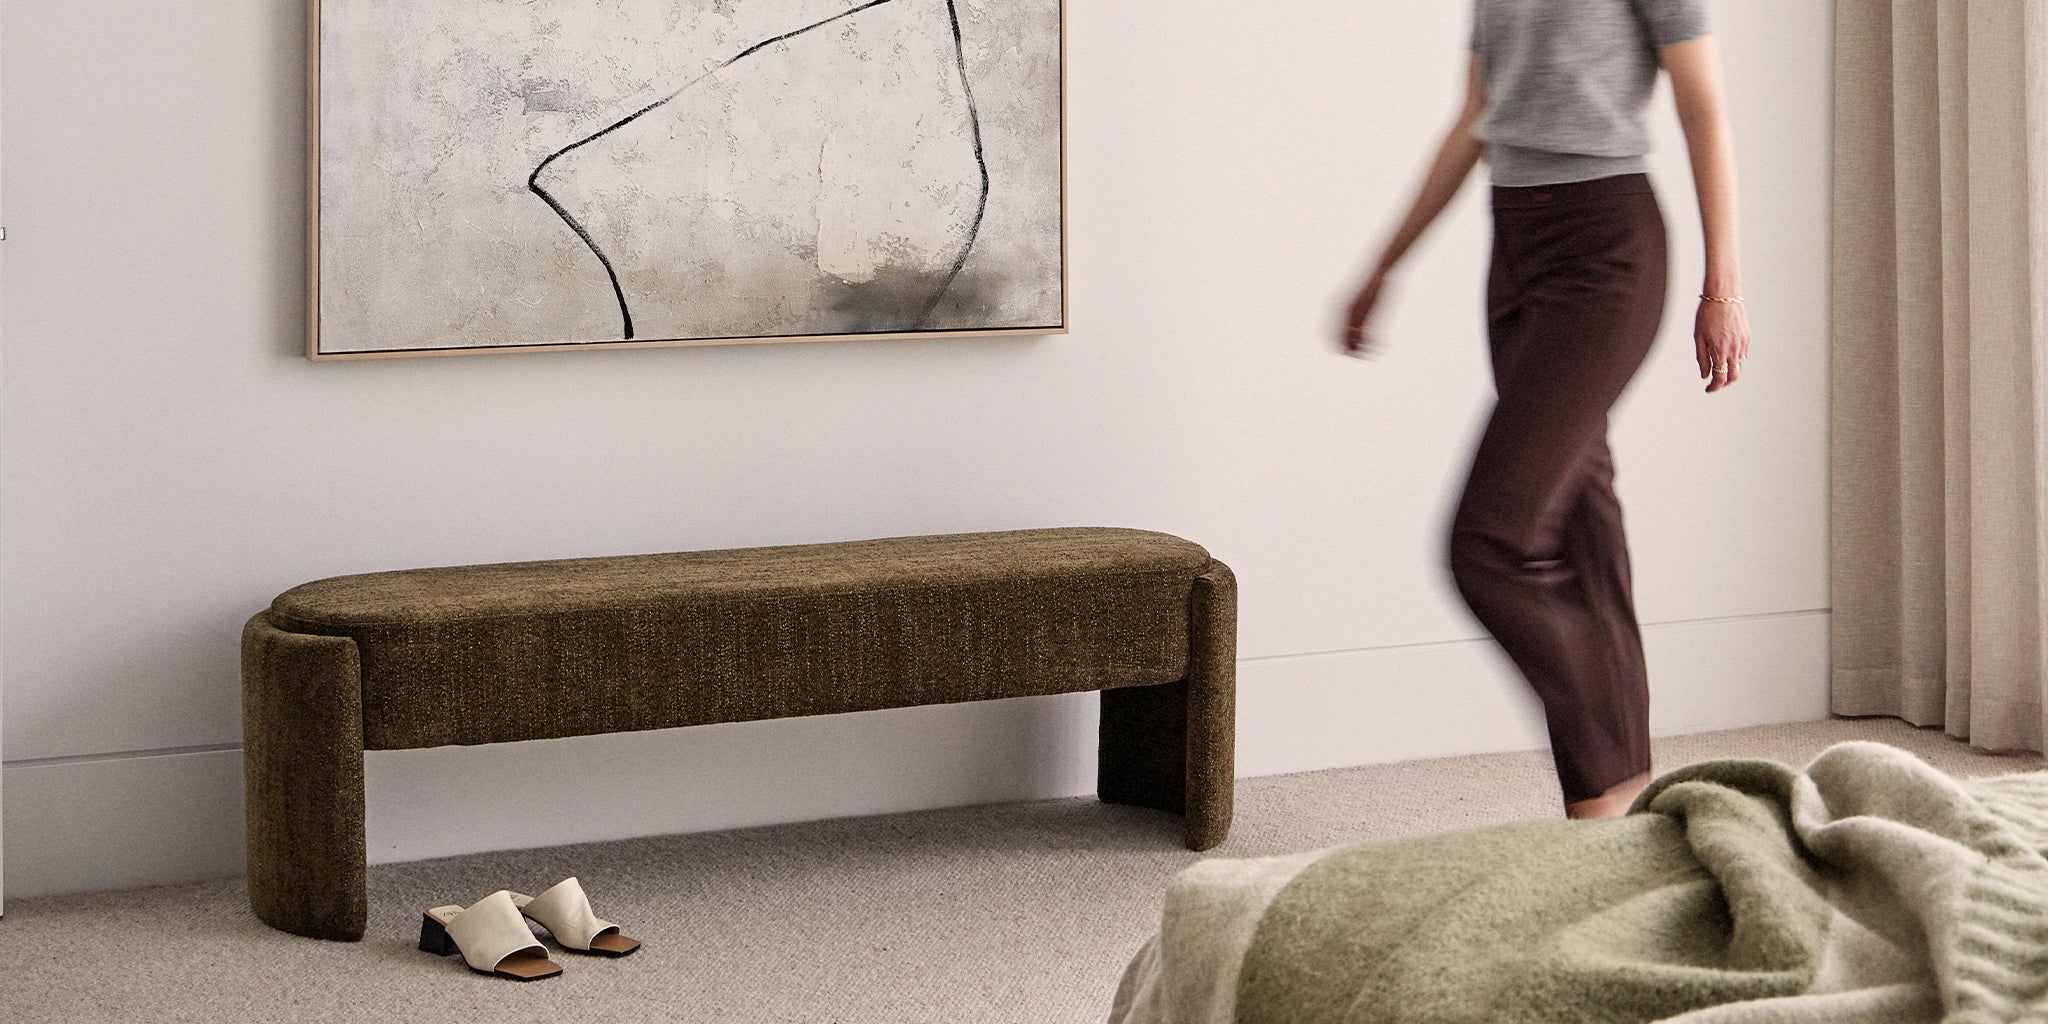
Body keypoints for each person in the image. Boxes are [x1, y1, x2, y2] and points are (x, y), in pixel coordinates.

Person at [1340, 0, 1752, 819]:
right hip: (1516, 249)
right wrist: (1387, 264)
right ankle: (1612, 815)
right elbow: (1476, 117)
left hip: (1607, 247)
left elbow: (1703, 106)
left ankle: (1610, 788)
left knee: (1489, 542)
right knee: (1581, 527)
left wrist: (1723, 289)